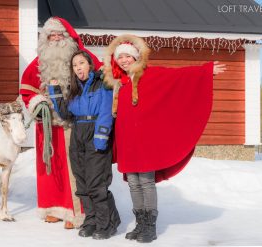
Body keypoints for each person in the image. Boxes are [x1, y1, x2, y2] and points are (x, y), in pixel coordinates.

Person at [102, 34, 226, 243]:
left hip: (145, 140)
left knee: (146, 181)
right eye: (119, 57)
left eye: (127, 56)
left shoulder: (150, 74)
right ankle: (140, 223)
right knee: (133, 182)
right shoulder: (119, 83)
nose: (123, 60)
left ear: (135, 57)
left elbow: (178, 76)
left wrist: (205, 71)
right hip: (127, 140)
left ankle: (149, 226)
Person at [19, 17, 102, 229]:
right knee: (51, 167)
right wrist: (38, 104)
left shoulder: (82, 58)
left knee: (73, 168)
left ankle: (75, 211)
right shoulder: (38, 64)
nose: (55, 40)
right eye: (51, 36)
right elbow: (27, 90)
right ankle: (53, 208)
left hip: (74, 124)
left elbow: (101, 78)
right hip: (47, 125)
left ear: (68, 38)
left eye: (59, 35)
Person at [48, 50, 121, 239]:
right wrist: (55, 91)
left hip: (95, 132)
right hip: (78, 134)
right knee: (82, 182)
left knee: (97, 182)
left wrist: (101, 137)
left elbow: (106, 111)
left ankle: (107, 223)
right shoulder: (75, 89)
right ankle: (91, 221)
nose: (78, 67)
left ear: (89, 64)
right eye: (74, 65)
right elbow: (65, 114)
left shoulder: (102, 83)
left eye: (81, 63)